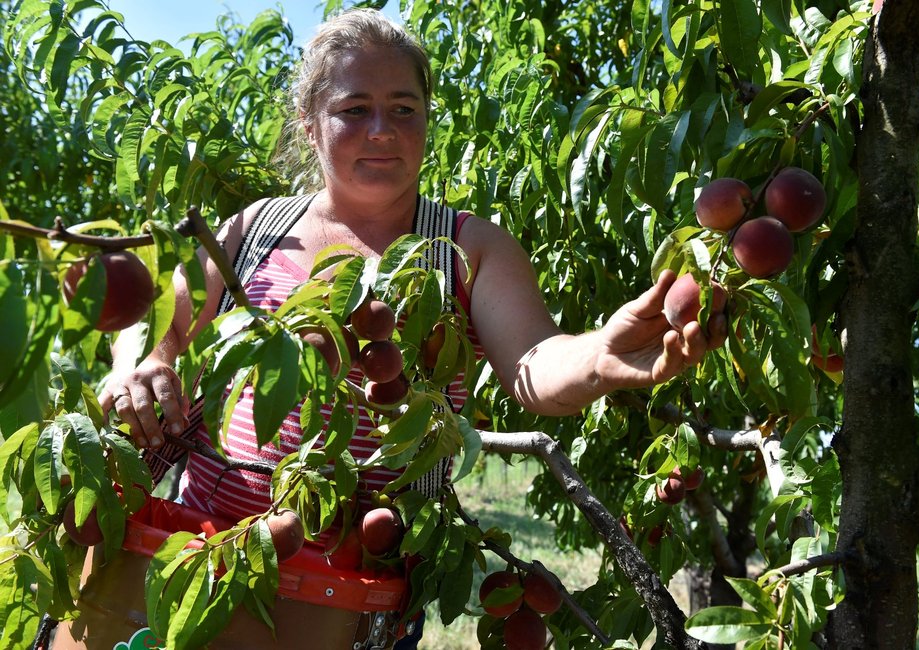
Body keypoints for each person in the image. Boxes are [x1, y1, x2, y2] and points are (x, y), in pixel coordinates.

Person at [98, 8, 726, 648]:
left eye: (404, 109)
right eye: (354, 109)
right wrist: (140, 365)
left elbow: (536, 364)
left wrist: (599, 358)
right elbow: (155, 314)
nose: (382, 131)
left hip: (356, 598)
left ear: (427, 121)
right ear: (308, 124)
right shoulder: (254, 230)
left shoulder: (465, 248)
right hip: (203, 556)